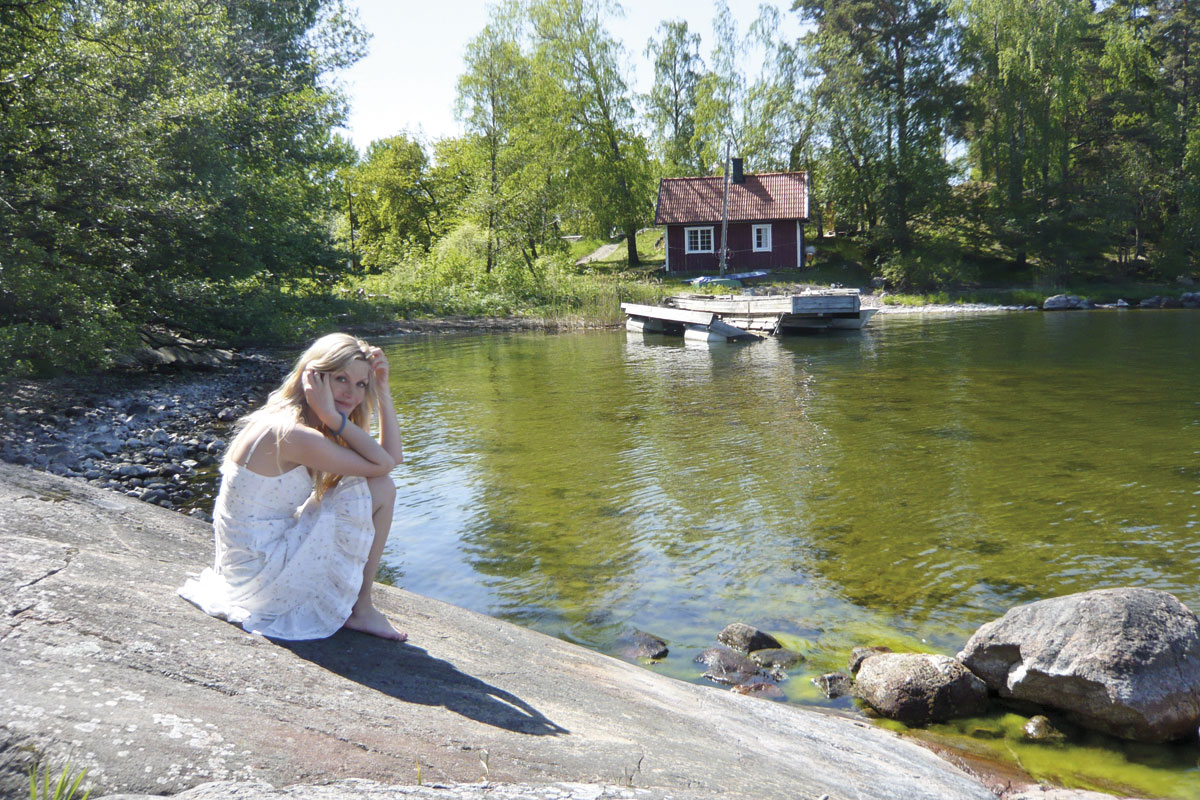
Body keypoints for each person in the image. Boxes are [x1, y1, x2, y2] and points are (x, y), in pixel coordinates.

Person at [178, 332, 406, 641]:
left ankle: (359, 607)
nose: (352, 393)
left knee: (373, 486)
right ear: (314, 377)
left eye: (361, 384)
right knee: (381, 490)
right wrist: (333, 417)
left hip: (242, 572)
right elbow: (384, 466)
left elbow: (391, 458)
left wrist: (382, 390)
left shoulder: (287, 418)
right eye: (341, 378)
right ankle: (360, 609)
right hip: (259, 581)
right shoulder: (295, 435)